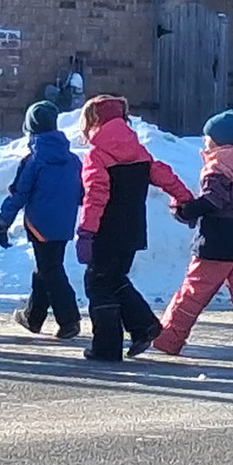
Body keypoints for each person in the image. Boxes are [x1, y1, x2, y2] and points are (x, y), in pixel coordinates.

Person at [152, 107, 233, 358]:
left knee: (192, 292)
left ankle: (168, 338)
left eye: (208, 137)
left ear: (219, 140)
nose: (205, 141)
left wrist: (187, 209)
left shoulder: (218, 167)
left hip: (216, 243)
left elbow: (213, 201)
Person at [76, 95, 193, 361]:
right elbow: (165, 175)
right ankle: (144, 326)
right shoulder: (139, 152)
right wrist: (185, 200)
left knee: (97, 283)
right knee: (115, 279)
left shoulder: (98, 155)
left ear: (94, 120)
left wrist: (86, 232)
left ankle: (107, 347)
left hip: (106, 232)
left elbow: (96, 196)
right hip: (133, 231)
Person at [0, 100, 83, 339]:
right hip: (65, 224)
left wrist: (3, 223)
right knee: (46, 266)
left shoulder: (33, 160)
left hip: (39, 224)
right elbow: (81, 192)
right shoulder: (73, 159)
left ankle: (69, 319)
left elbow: (19, 194)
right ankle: (33, 317)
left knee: (51, 269)